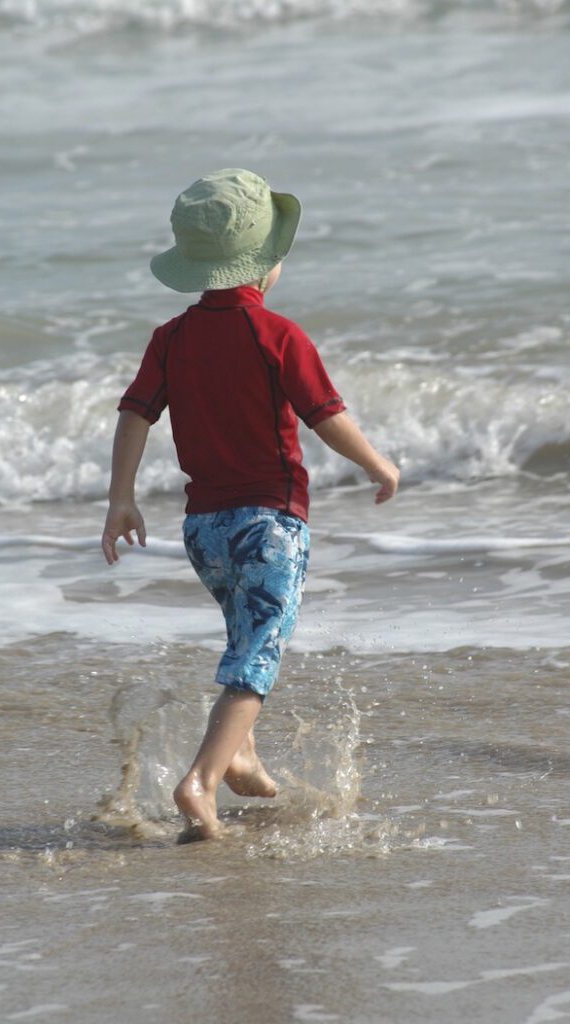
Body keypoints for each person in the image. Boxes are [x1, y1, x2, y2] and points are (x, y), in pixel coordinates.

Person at [101, 168, 399, 840]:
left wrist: (120, 498)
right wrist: (377, 462)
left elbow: (134, 413)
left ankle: (241, 754)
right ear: (264, 265)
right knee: (258, 657)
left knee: (245, 637)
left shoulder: (171, 338)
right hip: (269, 522)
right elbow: (325, 415)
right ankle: (200, 782)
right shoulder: (277, 335)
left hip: (202, 530)